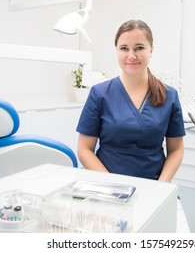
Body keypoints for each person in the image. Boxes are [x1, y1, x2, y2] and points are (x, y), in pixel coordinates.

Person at [76, 20, 189, 231]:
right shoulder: (100, 93)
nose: (131, 55)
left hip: (154, 185)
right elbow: (84, 149)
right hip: (105, 186)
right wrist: (113, 188)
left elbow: (176, 149)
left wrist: (161, 187)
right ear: (116, 51)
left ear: (151, 50)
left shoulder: (169, 95)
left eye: (139, 48)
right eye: (124, 48)